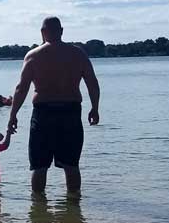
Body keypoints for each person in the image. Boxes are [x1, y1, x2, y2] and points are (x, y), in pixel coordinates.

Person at [7, 16, 100, 194]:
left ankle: (38, 210)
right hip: (70, 112)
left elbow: (21, 88)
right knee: (71, 164)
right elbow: (92, 83)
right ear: (62, 31)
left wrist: (13, 115)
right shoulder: (78, 54)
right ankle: (74, 207)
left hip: (43, 114)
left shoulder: (33, 56)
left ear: (43, 32)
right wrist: (95, 108)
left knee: (39, 166)